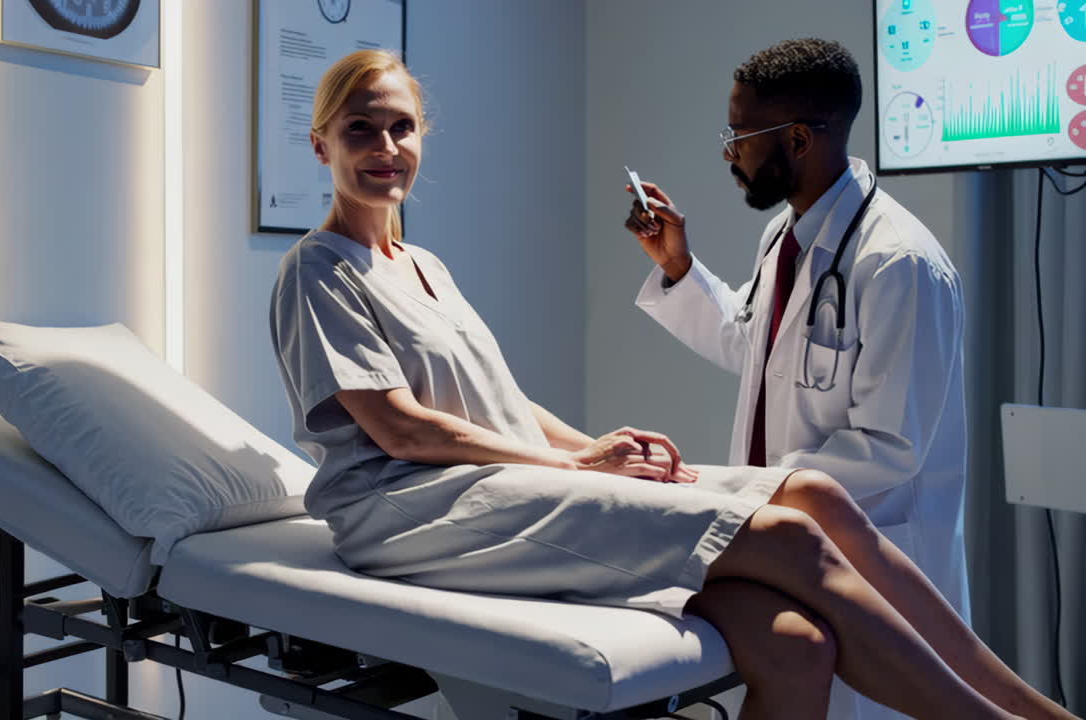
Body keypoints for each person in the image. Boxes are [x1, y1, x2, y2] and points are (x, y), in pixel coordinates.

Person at [271, 48, 1075, 720]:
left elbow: (505, 406)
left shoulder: (423, 266)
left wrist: (603, 451)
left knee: (802, 613)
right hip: (413, 505)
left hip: (493, 481)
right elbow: (403, 431)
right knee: (796, 529)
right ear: (321, 146)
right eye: (360, 129)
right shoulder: (317, 268)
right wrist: (586, 465)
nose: (385, 145)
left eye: (400, 126)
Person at [625, 39, 972, 719]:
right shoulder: (789, 237)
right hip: (793, 547)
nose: (730, 153)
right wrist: (677, 268)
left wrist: (745, 496)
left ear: (797, 139)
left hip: (870, 560)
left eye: (741, 136)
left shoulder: (899, 264)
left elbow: (891, 447)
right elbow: (758, 348)